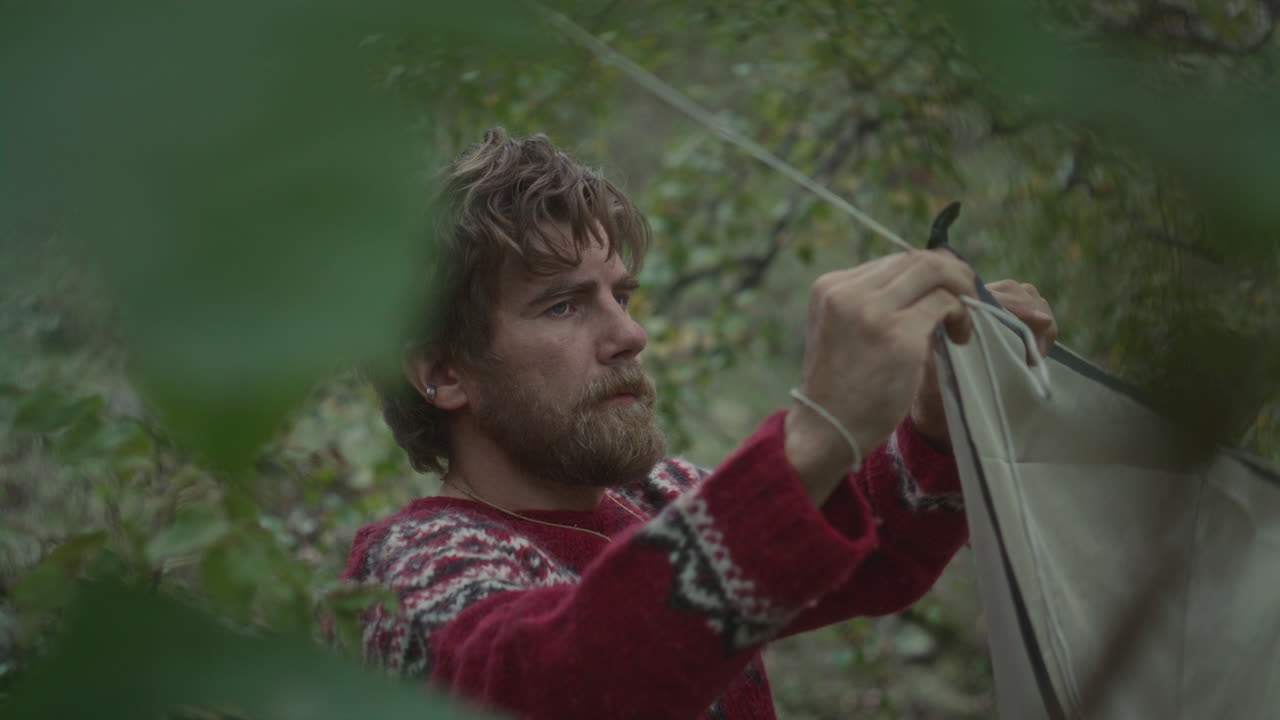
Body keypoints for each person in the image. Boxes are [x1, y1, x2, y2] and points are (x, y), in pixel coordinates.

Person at [344, 128, 1057, 720]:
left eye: (622, 295)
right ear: (442, 373)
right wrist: (815, 433)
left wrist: (934, 420)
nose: (629, 334)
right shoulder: (405, 571)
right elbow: (556, 686)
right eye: (563, 305)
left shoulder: (662, 499)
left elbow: (872, 550)